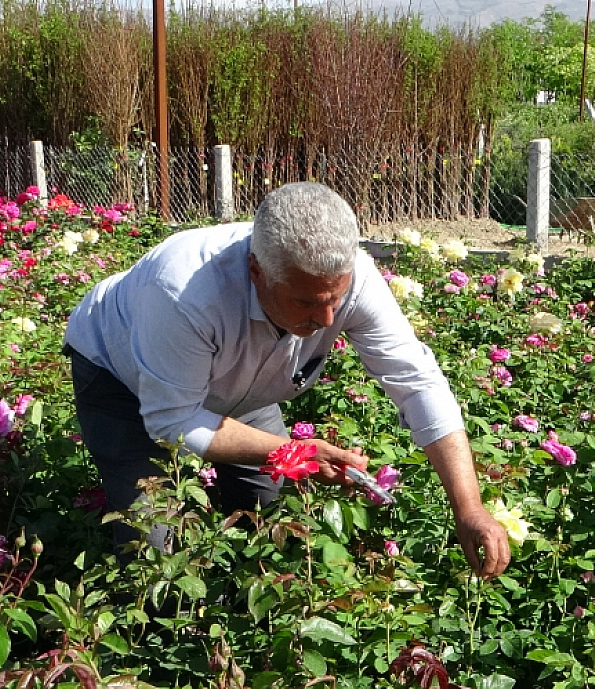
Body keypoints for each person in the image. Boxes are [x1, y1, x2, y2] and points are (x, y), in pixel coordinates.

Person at [62, 182, 511, 577]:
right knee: (152, 550)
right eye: (306, 303)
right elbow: (172, 420)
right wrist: (295, 449)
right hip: (123, 380)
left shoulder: (350, 281)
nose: (328, 318)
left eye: (336, 298)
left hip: (240, 385)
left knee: (274, 513)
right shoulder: (184, 293)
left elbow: (418, 384)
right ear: (256, 271)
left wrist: (469, 507)